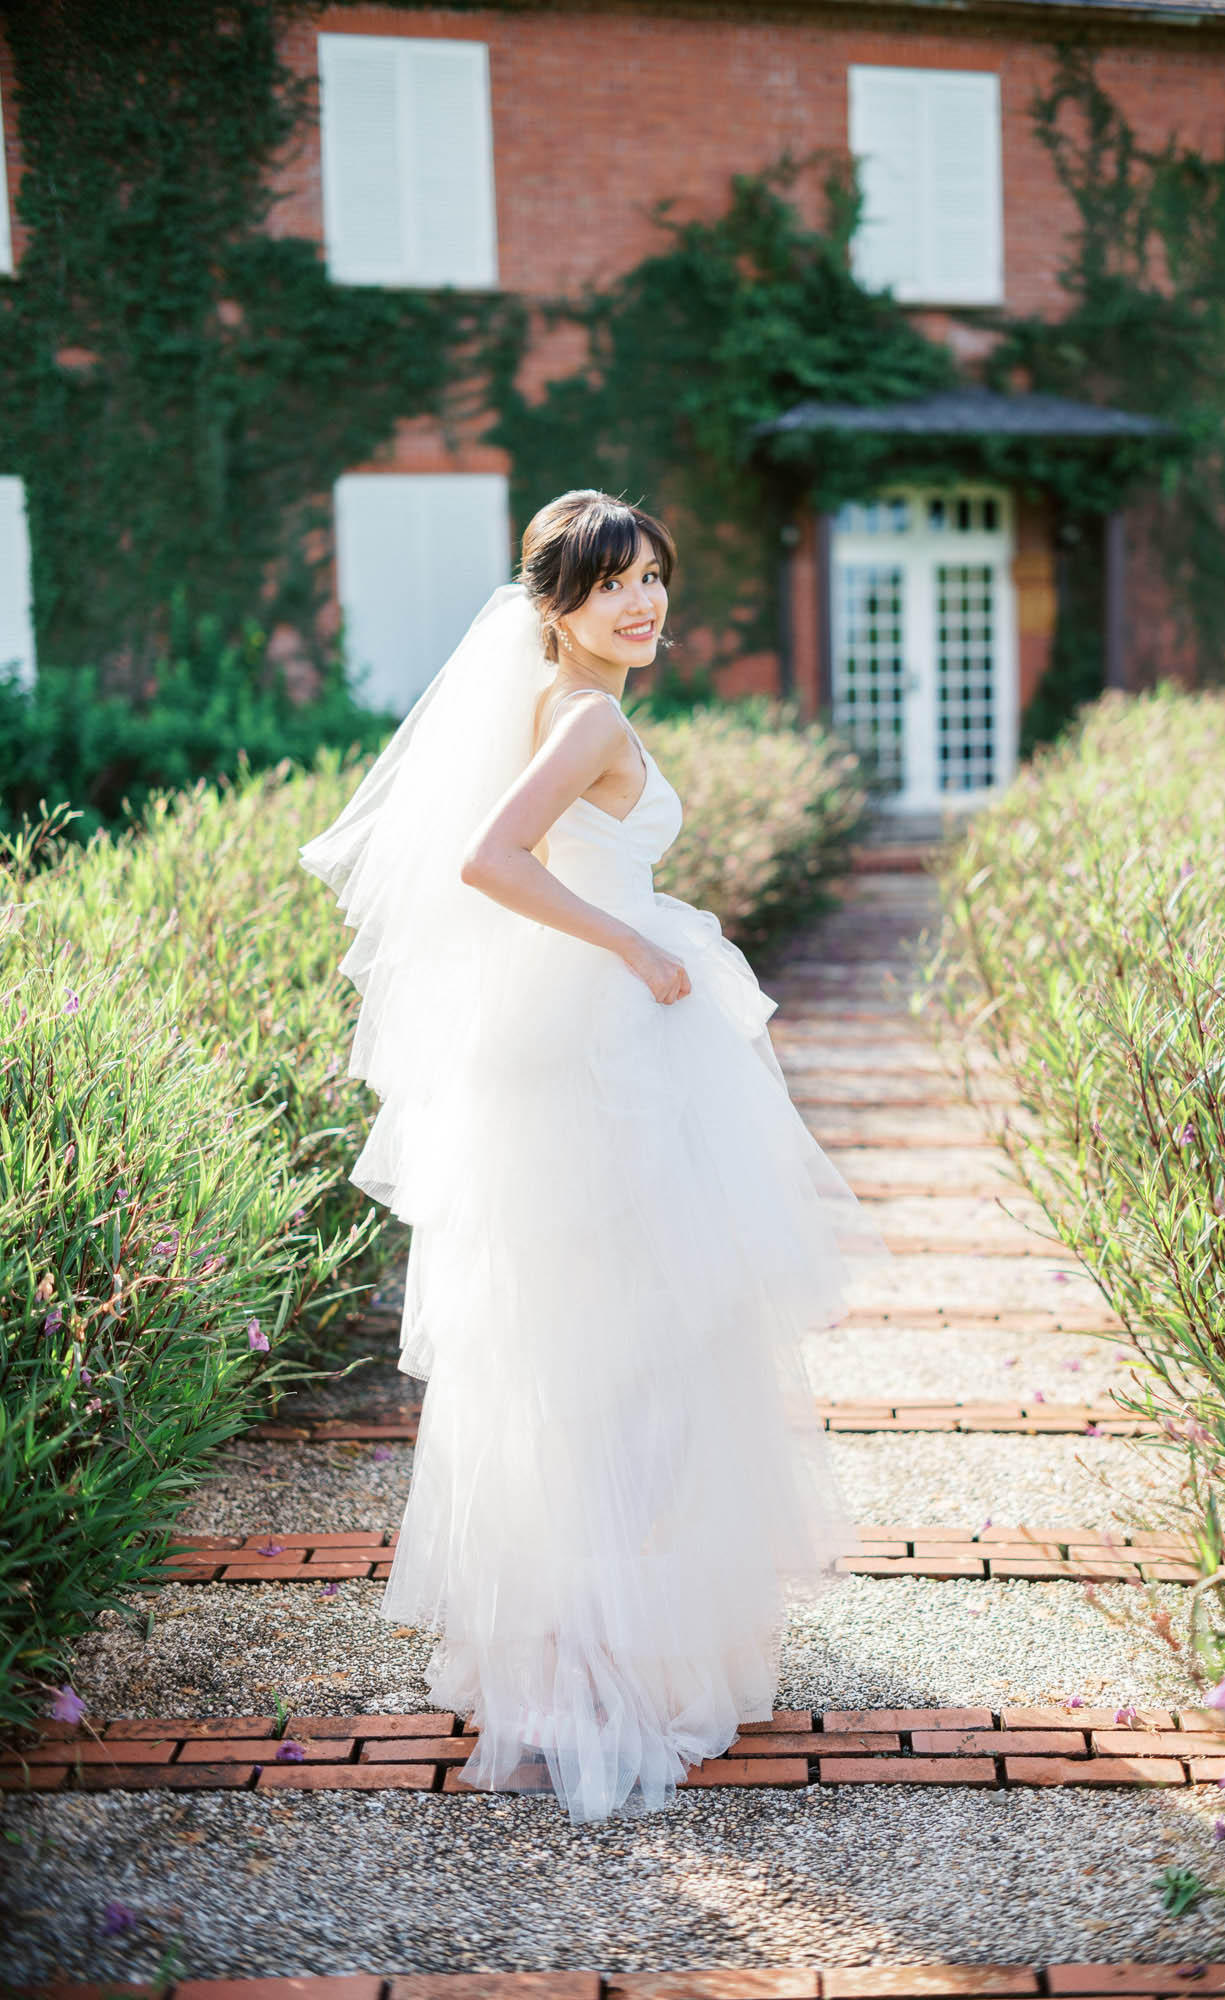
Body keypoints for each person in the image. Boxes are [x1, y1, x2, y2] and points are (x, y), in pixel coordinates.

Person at [299, 487, 890, 1823]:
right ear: (553, 607)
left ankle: (580, 1641)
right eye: (611, 583)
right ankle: (606, 1657)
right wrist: (629, 942)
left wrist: (639, 929)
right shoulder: (593, 716)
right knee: (639, 1353)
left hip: (588, 1032)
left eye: (652, 577)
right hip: (607, 1041)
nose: (643, 601)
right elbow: (489, 859)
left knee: (590, 1350)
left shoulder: (560, 709)